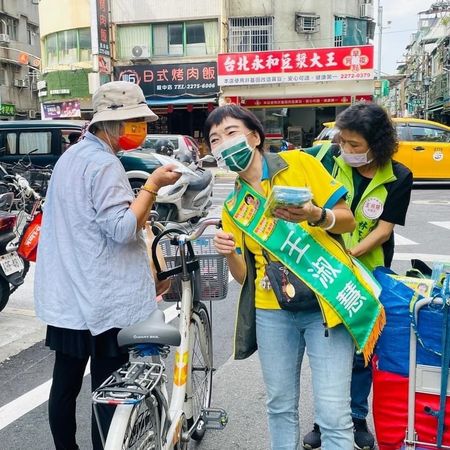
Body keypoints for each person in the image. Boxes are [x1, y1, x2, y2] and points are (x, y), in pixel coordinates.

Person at [205, 104, 385, 450]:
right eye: (214, 140)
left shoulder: (300, 165)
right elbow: (245, 277)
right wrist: (228, 252)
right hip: (271, 312)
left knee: (334, 415)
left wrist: (317, 215)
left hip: (325, 303)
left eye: (230, 133)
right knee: (279, 406)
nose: (222, 144)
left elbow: (346, 219)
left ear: (254, 137)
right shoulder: (233, 208)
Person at [34, 80, 181, 450]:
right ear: (111, 124)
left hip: (69, 293)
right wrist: (151, 186)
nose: (141, 130)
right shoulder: (105, 164)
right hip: (100, 297)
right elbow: (120, 229)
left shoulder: (72, 156)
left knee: (65, 384)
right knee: (108, 386)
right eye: (135, 122)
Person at [303, 102, 413, 450]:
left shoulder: (398, 176)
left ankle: (356, 416)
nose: (346, 151)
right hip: (324, 270)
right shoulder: (325, 160)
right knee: (328, 348)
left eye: (355, 145)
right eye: (343, 143)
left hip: (368, 272)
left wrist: (352, 255)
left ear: (376, 143)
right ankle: (325, 419)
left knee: (361, 351)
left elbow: (384, 230)